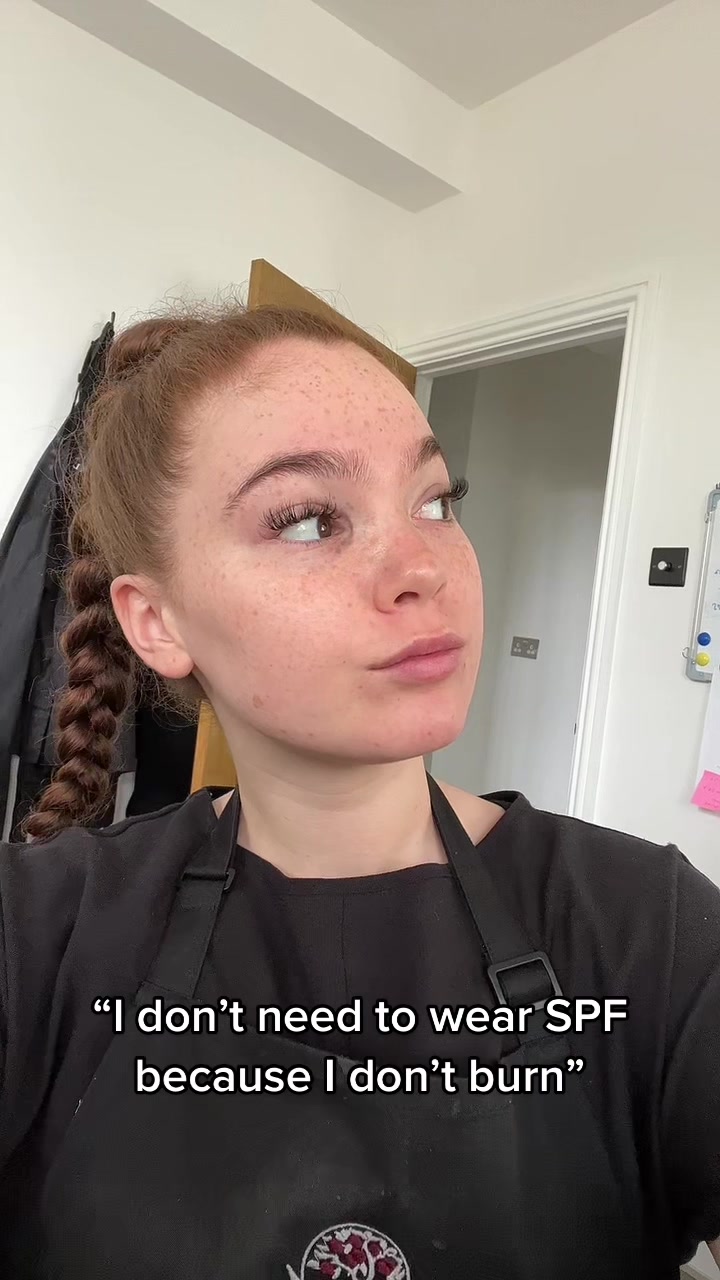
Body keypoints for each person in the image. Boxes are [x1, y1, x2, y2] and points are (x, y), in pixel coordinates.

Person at [0, 302, 718, 1280]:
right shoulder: (36, 929)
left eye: (436, 500)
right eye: (308, 520)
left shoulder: (655, 932)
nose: (423, 567)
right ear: (157, 621)